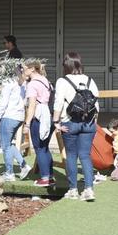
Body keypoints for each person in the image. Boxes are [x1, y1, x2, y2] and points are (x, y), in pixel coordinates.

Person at [54, 51, 100, 201]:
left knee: (72, 156)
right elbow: (96, 104)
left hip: (70, 123)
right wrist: (94, 121)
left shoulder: (62, 81)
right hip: (88, 123)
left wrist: (56, 122)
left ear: (65, 65)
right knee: (85, 156)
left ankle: (73, 190)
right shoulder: (90, 80)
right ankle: (89, 190)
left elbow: (58, 103)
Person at [22, 59, 54, 187]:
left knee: (39, 148)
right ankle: (50, 176)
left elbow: (31, 105)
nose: (23, 70)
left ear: (32, 69)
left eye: (25, 68)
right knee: (45, 147)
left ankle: (45, 178)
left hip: (39, 117)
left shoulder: (32, 84)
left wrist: (27, 123)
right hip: (48, 116)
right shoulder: (44, 80)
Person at [0, 65, 28, 181]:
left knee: (5, 146)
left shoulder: (8, 83)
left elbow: (3, 102)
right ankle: (24, 165)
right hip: (19, 116)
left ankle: (9, 172)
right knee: (9, 144)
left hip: (8, 116)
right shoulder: (23, 83)